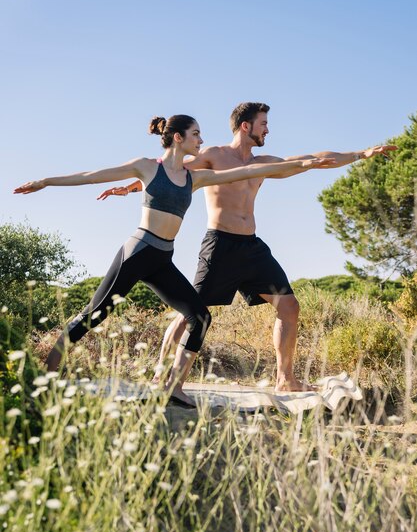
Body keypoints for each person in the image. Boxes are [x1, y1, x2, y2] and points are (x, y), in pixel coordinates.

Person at [14, 113, 335, 406]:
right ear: (178, 137)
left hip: (162, 260)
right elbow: (90, 175)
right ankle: (46, 374)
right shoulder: (147, 166)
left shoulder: (195, 178)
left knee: (199, 317)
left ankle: (174, 387)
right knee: (95, 316)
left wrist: (302, 165)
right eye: (196, 134)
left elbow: (250, 169)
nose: (201, 140)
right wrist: (46, 182)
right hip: (137, 253)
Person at [99, 103, 397, 392]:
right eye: (263, 124)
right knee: (190, 312)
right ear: (246, 126)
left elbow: (316, 158)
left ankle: (285, 379)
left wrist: (362, 154)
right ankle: (160, 375)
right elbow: (173, 170)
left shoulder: (261, 164)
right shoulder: (214, 155)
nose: (268, 130)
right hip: (220, 245)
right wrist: (131, 187)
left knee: (289, 306)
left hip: (252, 247)